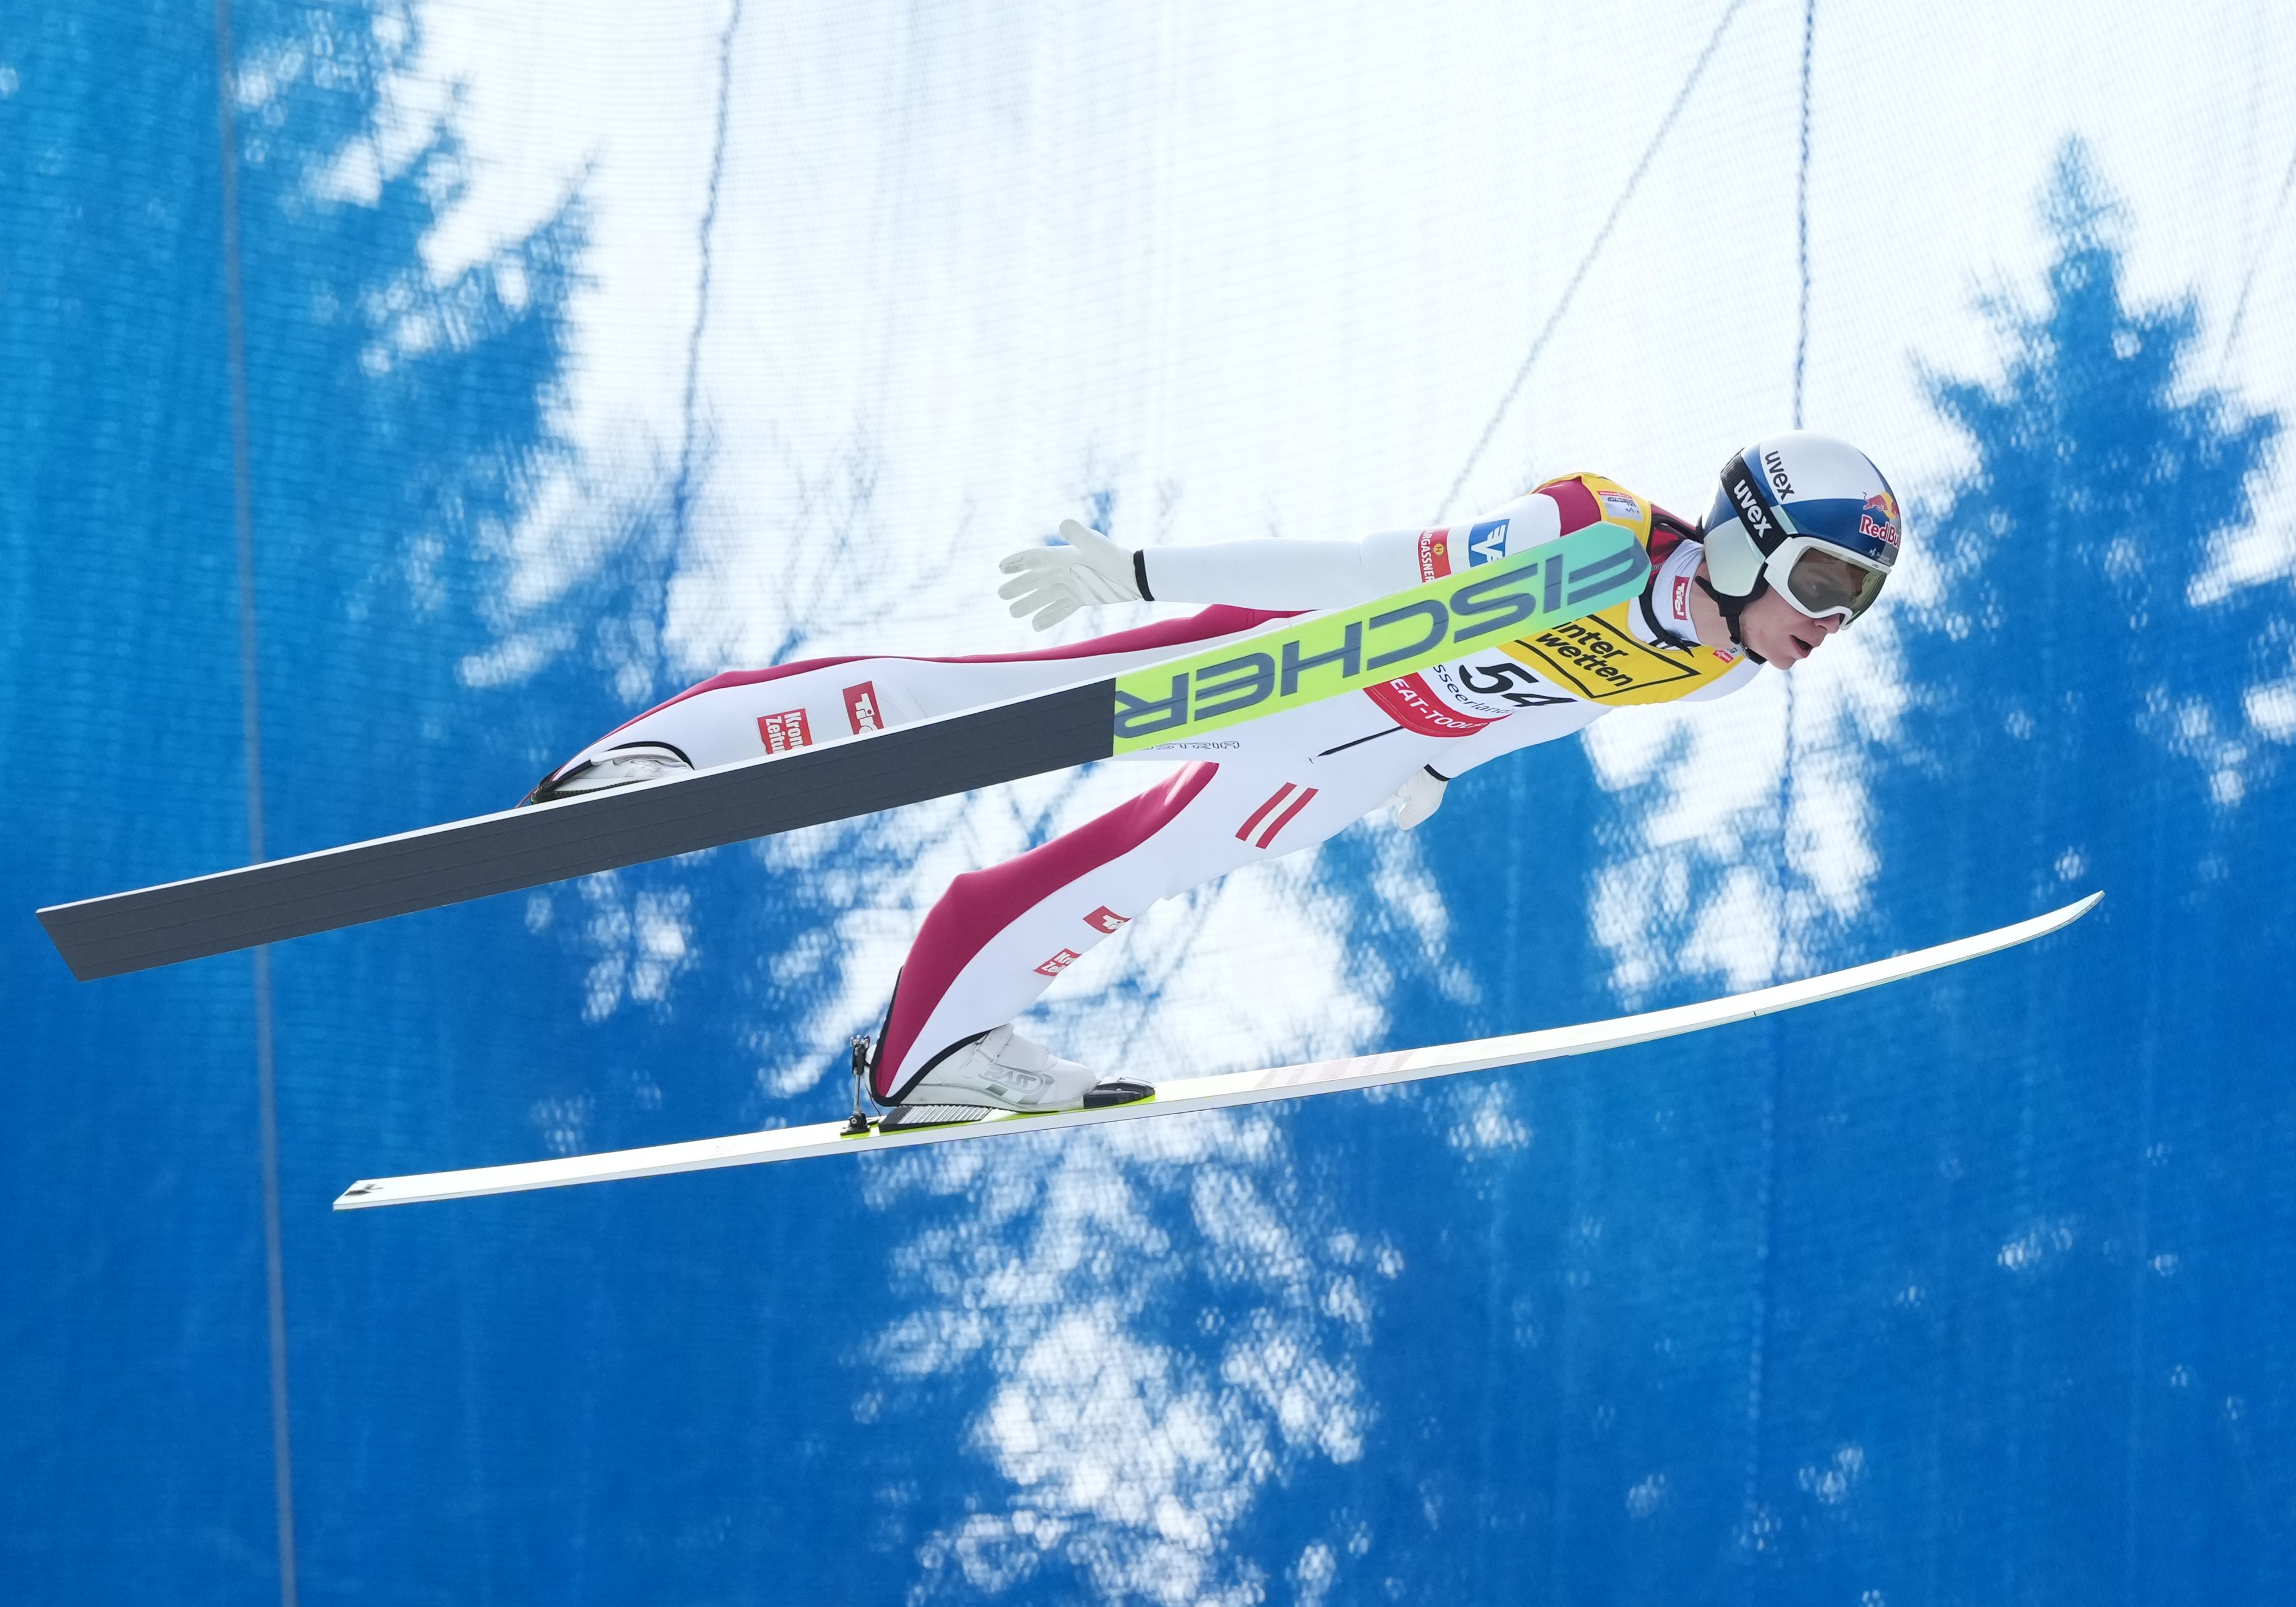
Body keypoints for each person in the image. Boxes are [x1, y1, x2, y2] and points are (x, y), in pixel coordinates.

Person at [525, 430, 1903, 1126]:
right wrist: (1139, 575)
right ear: (1749, 533)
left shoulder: (1714, 667)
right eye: (1828, 580)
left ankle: (929, 1044)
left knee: (1139, 873)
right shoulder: (1590, 534)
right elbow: (1367, 570)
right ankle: (675, 751)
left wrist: (1435, 767)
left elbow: (1545, 705)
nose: (1829, 623)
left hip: (1356, 751)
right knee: (987, 707)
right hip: (1299, 659)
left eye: (1860, 604)